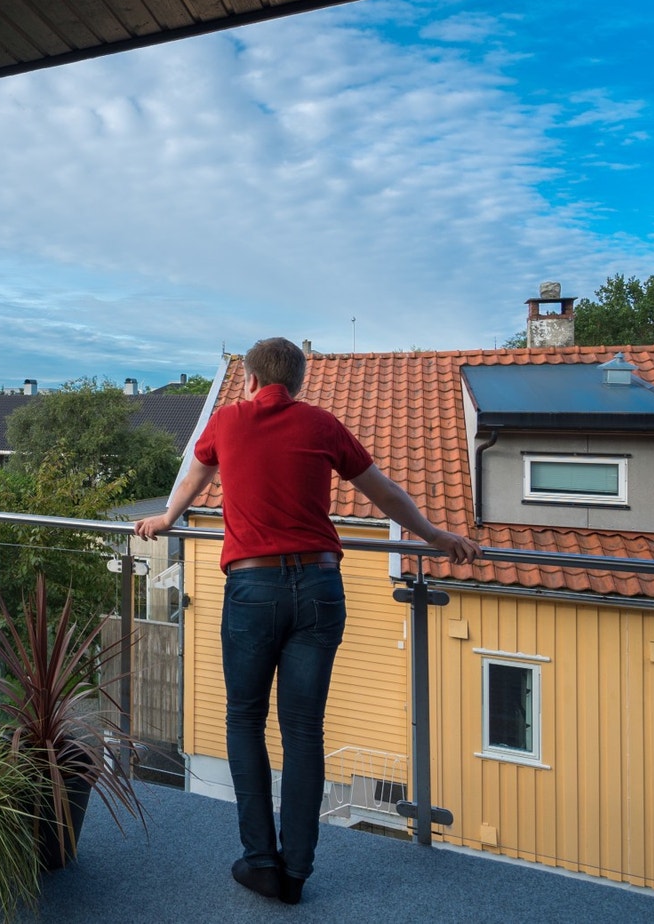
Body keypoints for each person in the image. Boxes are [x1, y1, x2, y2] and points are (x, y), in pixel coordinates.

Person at [135, 337, 478, 905]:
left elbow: (195, 474)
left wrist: (170, 518)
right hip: (320, 587)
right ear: (297, 383)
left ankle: (260, 862)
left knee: (244, 720)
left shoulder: (226, 422)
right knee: (303, 731)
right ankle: (295, 873)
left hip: (253, 587)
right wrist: (436, 537)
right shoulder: (322, 426)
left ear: (247, 379)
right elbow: (386, 492)